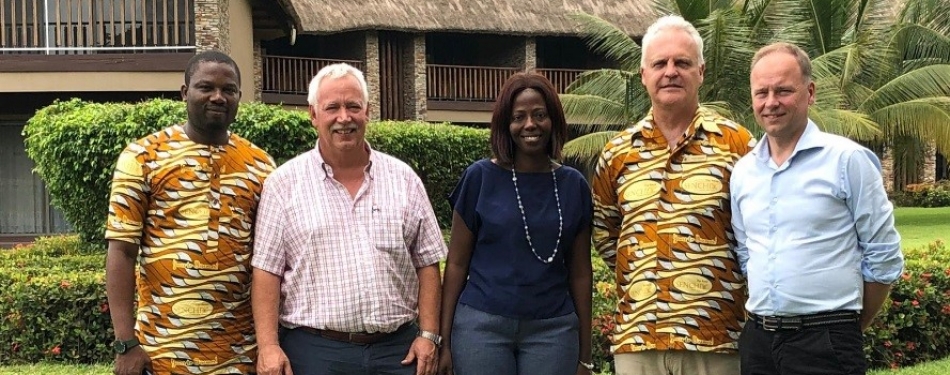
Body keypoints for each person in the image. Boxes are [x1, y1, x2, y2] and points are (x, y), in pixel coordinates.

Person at [251, 63, 447, 375]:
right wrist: (269, 346)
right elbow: (267, 271)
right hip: (315, 352)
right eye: (332, 108)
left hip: (397, 352)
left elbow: (427, 262)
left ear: (367, 111)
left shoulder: (403, 179)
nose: (344, 117)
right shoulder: (284, 184)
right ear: (314, 115)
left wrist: (427, 334)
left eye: (353, 106)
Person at [591, 15, 757, 375]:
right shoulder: (617, 153)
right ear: (643, 75)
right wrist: (644, 267)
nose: (670, 71)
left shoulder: (738, 145)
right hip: (638, 339)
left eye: (682, 62)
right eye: (660, 63)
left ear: (701, 71)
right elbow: (606, 233)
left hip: (715, 338)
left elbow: (759, 230)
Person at [731, 42, 904, 375]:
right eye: (761, 92)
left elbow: (883, 256)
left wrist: (847, 325)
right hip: (758, 342)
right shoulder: (743, 172)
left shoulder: (847, 160)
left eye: (783, 91)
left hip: (826, 339)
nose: (771, 103)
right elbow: (746, 253)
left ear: (809, 93)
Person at [105, 50, 276, 375]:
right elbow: (122, 252)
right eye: (206, 87)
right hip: (162, 350)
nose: (218, 97)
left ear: (240, 96)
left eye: (229, 90)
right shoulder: (143, 157)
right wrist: (125, 342)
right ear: (185, 92)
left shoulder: (260, 165)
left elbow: (268, 261)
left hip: (239, 354)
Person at [437, 73, 593, 375]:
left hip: (553, 331)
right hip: (481, 328)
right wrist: (444, 342)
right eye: (518, 117)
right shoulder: (480, 178)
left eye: (539, 115)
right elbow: (455, 264)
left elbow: (581, 274)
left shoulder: (573, 185)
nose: (530, 125)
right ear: (505, 125)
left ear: (553, 120)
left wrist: (585, 355)